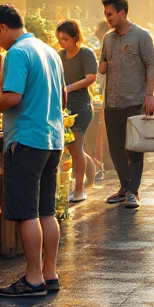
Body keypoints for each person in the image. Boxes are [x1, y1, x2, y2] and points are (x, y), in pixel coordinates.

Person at [0, 4, 65, 298]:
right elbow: (63, 94)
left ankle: (33, 279)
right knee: (46, 210)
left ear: (2, 28)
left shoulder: (18, 53)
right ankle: (50, 273)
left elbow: (12, 97)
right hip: (52, 138)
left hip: (26, 140)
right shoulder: (49, 51)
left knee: (26, 213)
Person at [98, 0, 154, 210]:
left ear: (122, 12)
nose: (107, 18)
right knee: (115, 149)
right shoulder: (108, 38)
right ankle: (124, 187)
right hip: (111, 101)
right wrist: (103, 63)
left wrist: (149, 95)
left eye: (110, 14)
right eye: (105, 14)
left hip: (134, 101)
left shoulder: (142, 36)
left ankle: (133, 192)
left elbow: (151, 65)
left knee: (134, 148)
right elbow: (102, 66)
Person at [56, 20, 99, 203]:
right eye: (59, 39)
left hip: (81, 107)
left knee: (76, 147)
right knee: (72, 148)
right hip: (63, 108)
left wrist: (69, 87)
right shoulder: (59, 56)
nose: (62, 42)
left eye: (65, 39)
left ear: (75, 38)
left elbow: (91, 78)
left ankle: (79, 189)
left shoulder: (86, 54)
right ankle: (91, 170)